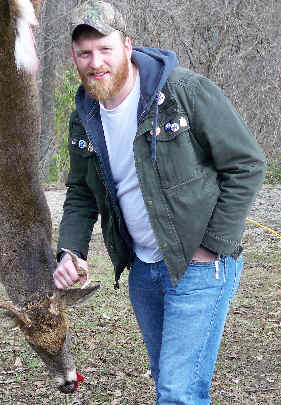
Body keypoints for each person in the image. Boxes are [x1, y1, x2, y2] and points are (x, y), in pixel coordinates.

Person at [52, 1, 267, 404]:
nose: (95, 62)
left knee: (177, 391)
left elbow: (247, 164)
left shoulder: (183, 92)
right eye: (84, 52)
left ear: (127, 46)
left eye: (104, 49)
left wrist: (211, 247)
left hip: (201, 267)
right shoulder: (84, 115)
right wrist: (70, 251)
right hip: (145, 271)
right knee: (170, 383)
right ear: (75, 57)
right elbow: (80, 192)